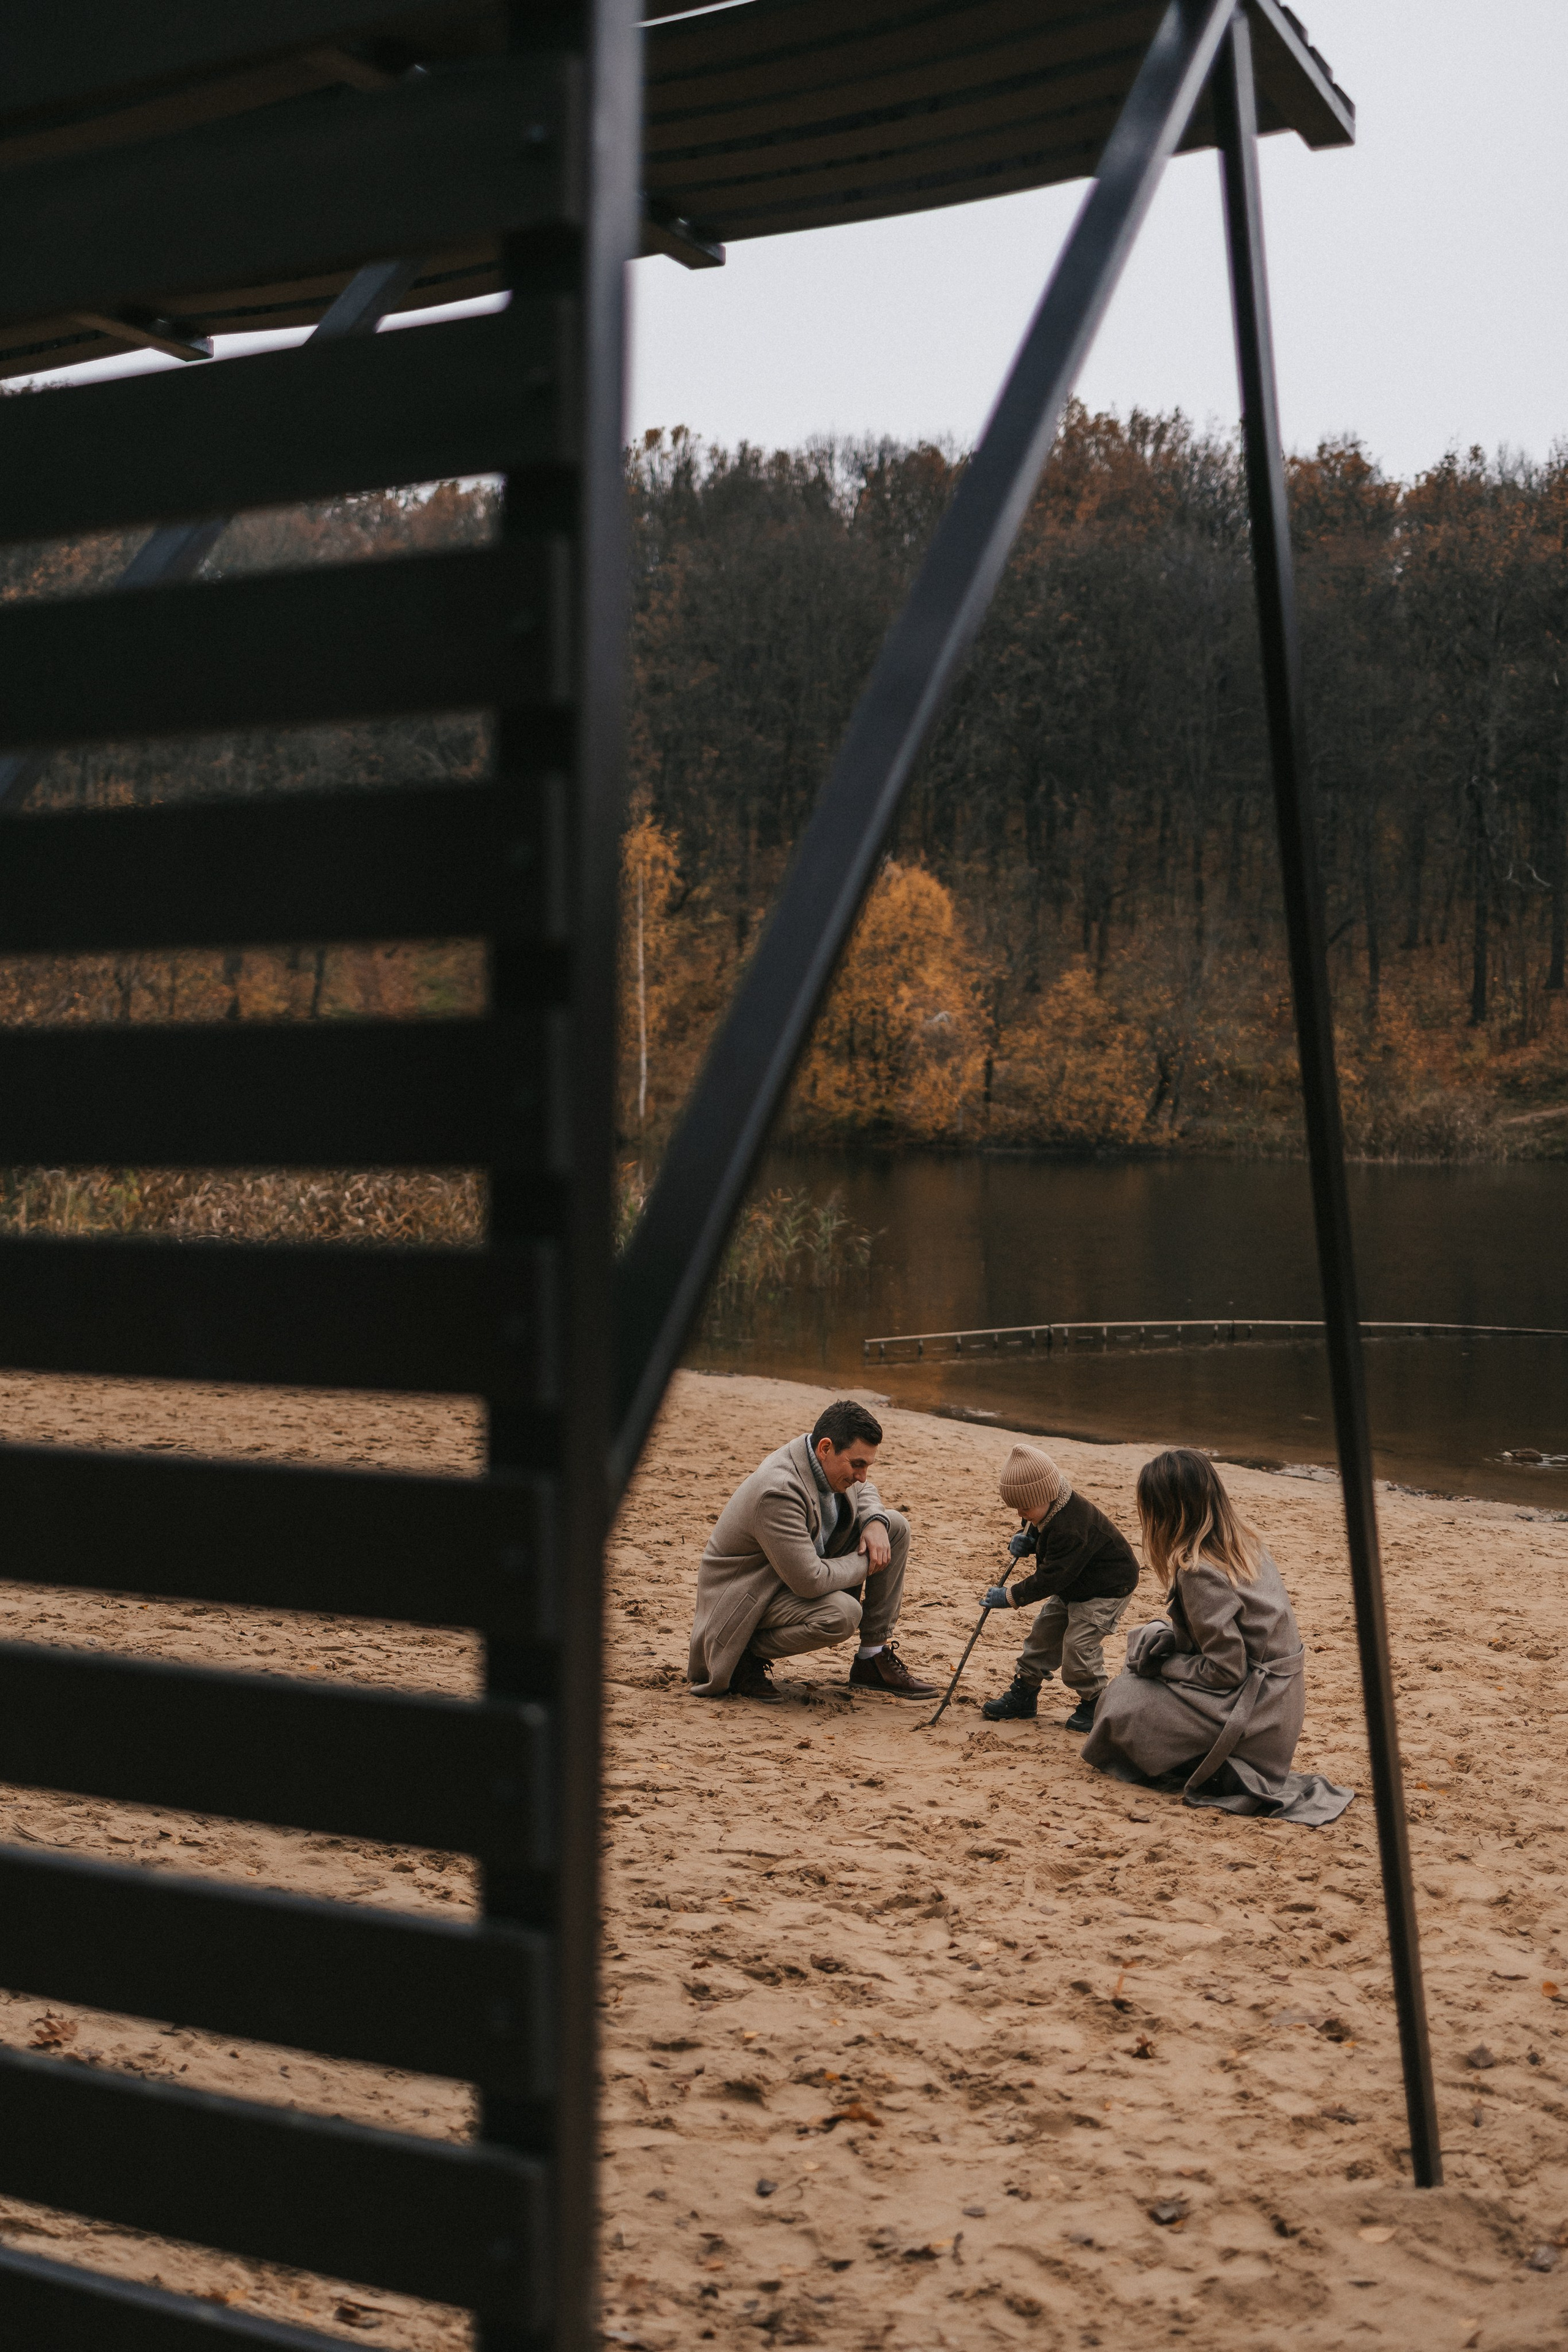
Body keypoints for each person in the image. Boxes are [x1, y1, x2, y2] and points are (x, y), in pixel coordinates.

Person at [1082, 1447, 1352, 1823]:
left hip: (1254, 1713)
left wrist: (1165, 1667)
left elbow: (1227, 1671)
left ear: (1165, 1513)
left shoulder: (1198, 1571)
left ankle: (1206, 1762)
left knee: (1122, 1700)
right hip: (1280, 1705)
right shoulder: (1246, 1543)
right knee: (1147, 1643)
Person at [688, 1399, 936, 1703]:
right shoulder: (778, 1490)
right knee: (842, 1614)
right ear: (826, 1448)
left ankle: (872, 1658)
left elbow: (864, 1491)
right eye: (857, 1464)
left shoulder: (819, 1459)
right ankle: (740, 1655)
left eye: (868, 1465)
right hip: (743, 1600)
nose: (862, 1475)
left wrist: (873, 1520)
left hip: (782, 1582)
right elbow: (810, 1581)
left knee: (893, 1526)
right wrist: (872, 1561)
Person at [978, 1444, 1140, 1731]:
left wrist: (1012, 1596)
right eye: (1017, 1508)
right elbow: (1040, 1533)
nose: (1021, 1512)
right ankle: (1025, 1693)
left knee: (1078, 1648)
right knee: (1043, 1634)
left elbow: (1052, 1576)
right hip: (1074, 1583)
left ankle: (1097, 1703)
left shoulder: (1072, 1526)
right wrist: (1026, 1540)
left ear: (1046, 1495)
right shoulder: (1047, 1506)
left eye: (1024, 1508)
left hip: (1107, 1588)